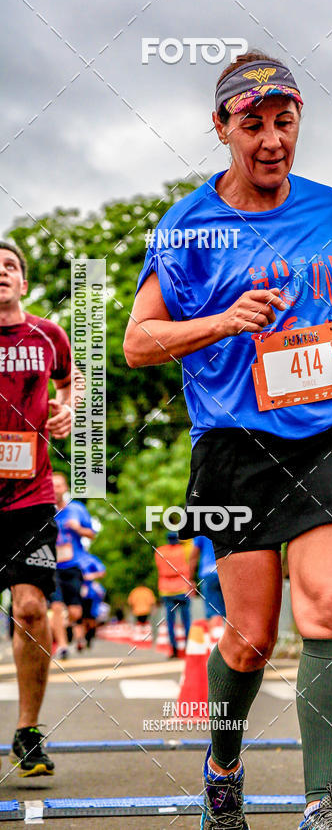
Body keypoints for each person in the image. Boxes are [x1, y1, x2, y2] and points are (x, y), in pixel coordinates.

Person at [124, 50, 332, 830]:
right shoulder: (186, 227)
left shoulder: (327, 207)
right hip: (235, 445)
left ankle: (321, 803)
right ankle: (222, 766)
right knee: (248, 640)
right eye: (253, 125)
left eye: (285, 122)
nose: (272, 139)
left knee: (327, 611)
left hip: (327, 431)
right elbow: (141, 342)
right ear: (222, 129)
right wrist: (221, 321)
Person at [0, 240, 79, 776]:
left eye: (9, 267)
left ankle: (28, 731)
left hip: (31, 495)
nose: (0, 274)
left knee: (30, 608)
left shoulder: (48, 335)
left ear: (23, 283)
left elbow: (73, 383)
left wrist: (67, 409)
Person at [52, 471, 96, 652]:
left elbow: (91, 534)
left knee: (75, 612)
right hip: (52, 567)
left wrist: (78, 528)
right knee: (55, 606)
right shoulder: (44, 512)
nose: (55, 489)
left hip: (73, 565)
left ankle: (66, 625)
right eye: (51, 486)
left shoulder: (77, 509)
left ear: (66, 488)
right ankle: (62, 645)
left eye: (59, 485)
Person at [154, 530, 193, 658]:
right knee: (186, 620)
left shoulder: (160, 551)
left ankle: (174, 649)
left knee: (170, 621)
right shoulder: (184, 550)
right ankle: (188, 647)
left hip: (166, 590)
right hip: (182, 588)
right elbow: (191, 543)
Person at [189, 534, 226, 625]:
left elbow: (193, 557)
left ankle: (215, 637)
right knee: (233, 614)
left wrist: (190, 580)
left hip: (208, 574)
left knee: (214, 613)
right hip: (226, 572)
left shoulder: (202, 530)